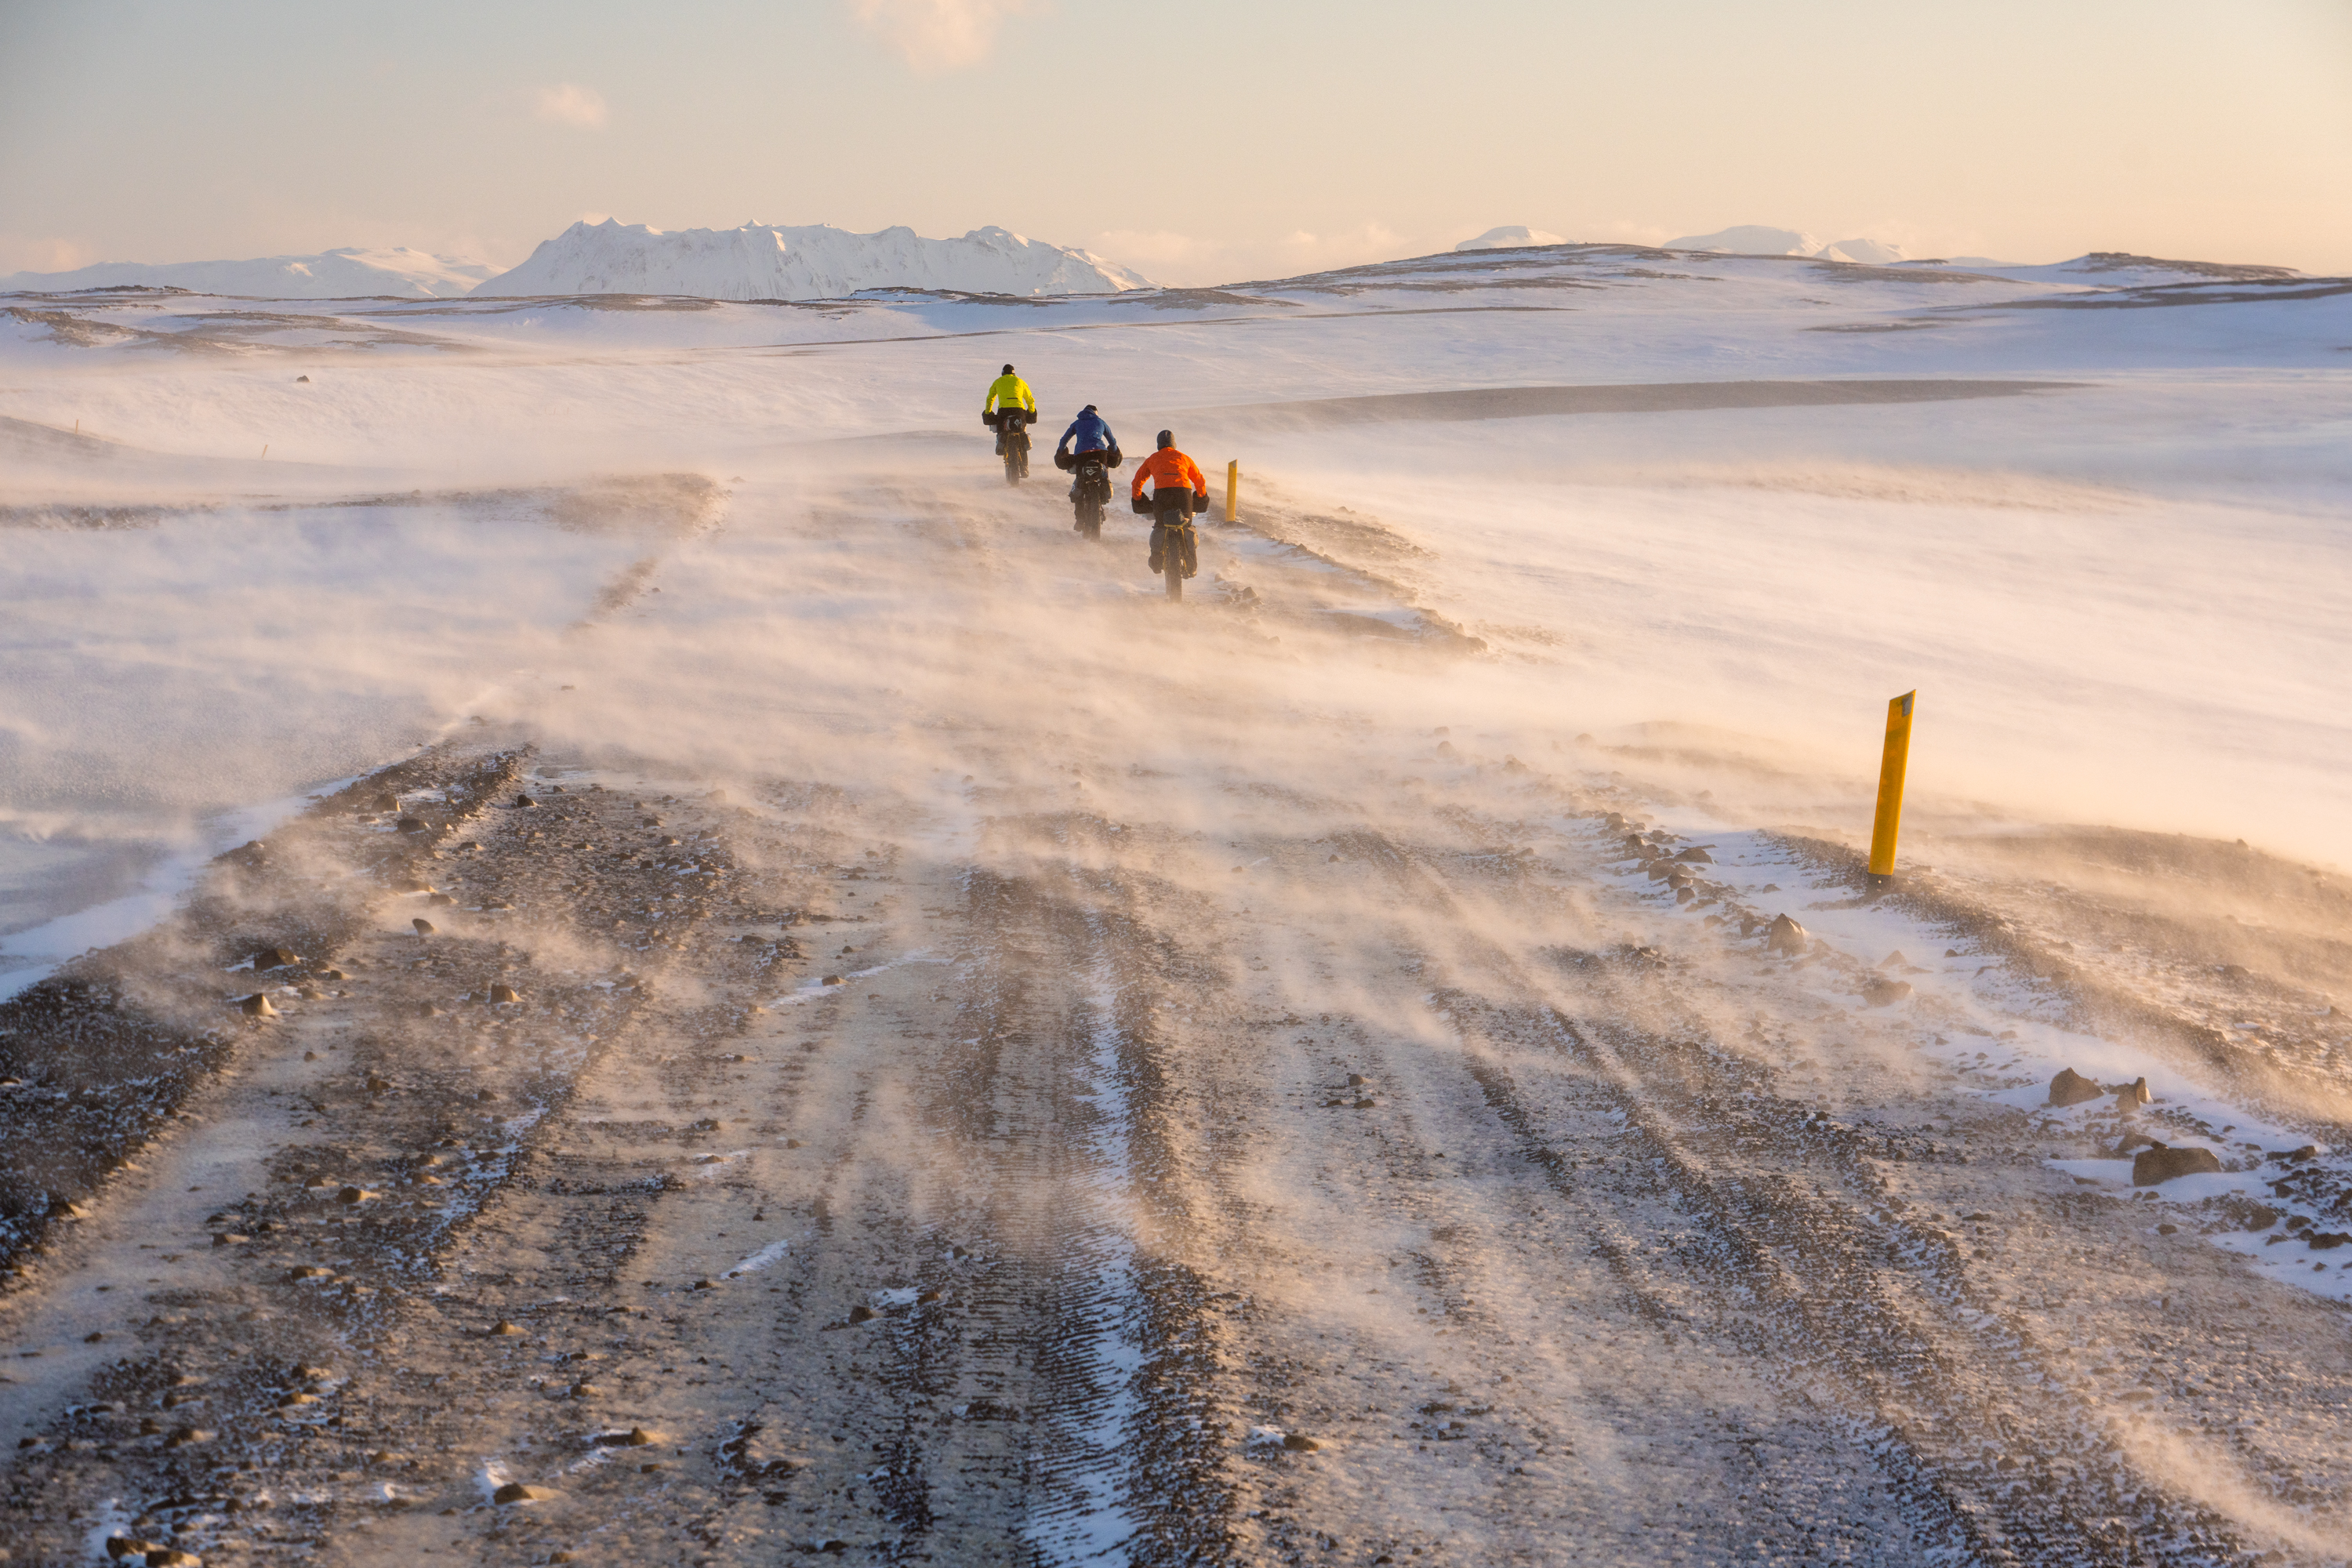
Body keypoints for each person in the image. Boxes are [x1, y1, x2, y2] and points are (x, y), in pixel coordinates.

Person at [1131, 429, 1207, 578]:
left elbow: (1137, 482)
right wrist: (1201, 497)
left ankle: (1157, 560)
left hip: (1162, 495)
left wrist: (1138, 499)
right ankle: (1192, 566)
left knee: (1160, 525)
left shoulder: (1152, 458)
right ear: (1174, 444)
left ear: (1158, 445)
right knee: (1186, 526)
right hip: (1183, 494)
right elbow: (1199, 480)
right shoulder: (1184, 458)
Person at [1054, 404, 1122, 499]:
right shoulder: (1100, 422)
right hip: (1100, 452)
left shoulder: (1077, 423)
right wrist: (1114, 451)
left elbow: (1064, 440)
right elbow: (1112, 440)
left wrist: (1061, 451)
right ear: (1096, 413)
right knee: (1103, 473)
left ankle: (1077, 498)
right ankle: (1105, 490)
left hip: (1082, 453)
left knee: (1080, 478)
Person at [982, 363, 1035, 453]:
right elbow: (1030, 399)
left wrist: (988, 412)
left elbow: (990, 398)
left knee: (1001, 430)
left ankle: (1001, 444)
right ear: (1014, 374)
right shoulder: (1020, 382)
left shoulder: (998, 381)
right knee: (1022, 430)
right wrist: (1032, 411)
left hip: (1004, 411)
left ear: (1003, 374)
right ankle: (1025, 449)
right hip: (1019, 410)